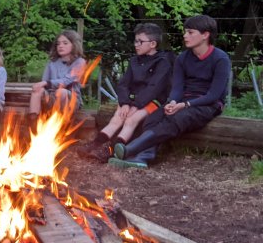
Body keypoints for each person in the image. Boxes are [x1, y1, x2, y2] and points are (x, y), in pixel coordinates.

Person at [109, 15, 231, 168]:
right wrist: (172, 101)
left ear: (205, 35)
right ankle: (144, 156)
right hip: (182, 101)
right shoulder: (182, 58)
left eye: (190, 32)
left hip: (208, 104)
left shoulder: (221, 58)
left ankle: (131, 149)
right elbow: (177, 87)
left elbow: (214, 95)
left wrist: (185, 105)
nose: (185, 36)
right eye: (185, 32)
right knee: (153, 119)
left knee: (177, 118)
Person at [76, 23, 173, 162]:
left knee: (131, 120)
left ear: (153, 43)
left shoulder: (163, 62)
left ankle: (111, 149)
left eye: (140, 41)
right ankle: (95, 144)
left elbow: (154, 88)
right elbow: (123, 84)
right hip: (132, 100)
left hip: (153, 101)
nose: (136, 44)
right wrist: (125, 103)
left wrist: (136, 105)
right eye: (135, 41)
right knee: (117, 118)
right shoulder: (134, 61)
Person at [28, 30, 86, 123]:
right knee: (38, 89)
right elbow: (45, 82)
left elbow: (66, 81)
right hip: (51, 97)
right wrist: (41, 88)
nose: (60, 46)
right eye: (58, 44)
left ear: (74, 45)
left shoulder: (80, 62)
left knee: (61, 92)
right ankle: (33, 123)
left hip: (70, 100)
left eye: (65, 43)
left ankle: (62, 124)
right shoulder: (52, 62)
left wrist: (46, 83)